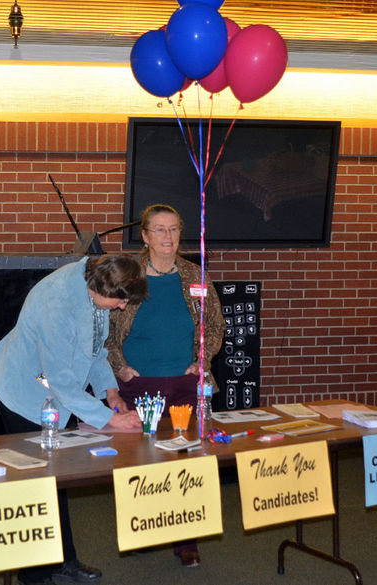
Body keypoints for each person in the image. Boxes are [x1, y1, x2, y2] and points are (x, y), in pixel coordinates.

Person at [0, 254, 147, 585]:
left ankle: (63, 560)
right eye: (120, 302)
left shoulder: (94, 287)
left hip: (56, 389)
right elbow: (61, 382)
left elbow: (96, 350)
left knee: (57, 477)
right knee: (34, 483)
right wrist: (109, 420)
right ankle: (33, 574)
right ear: (105, 287)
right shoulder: (57, 301)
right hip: (24, 390)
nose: (120, 308)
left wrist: (110, 392)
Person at [106, 204, 225, 568]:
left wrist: (201, 361)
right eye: (159, 230)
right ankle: (144, 529)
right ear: (144, 236)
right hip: (138, 384)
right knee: (143, 461)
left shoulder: (194, 274)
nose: (168, 237)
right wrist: (119, 367)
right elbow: (105, 330)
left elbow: (215, 326)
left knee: (187, 458)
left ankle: (186, 540)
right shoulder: (129, 274)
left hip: (185, 384)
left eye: (173, 229)